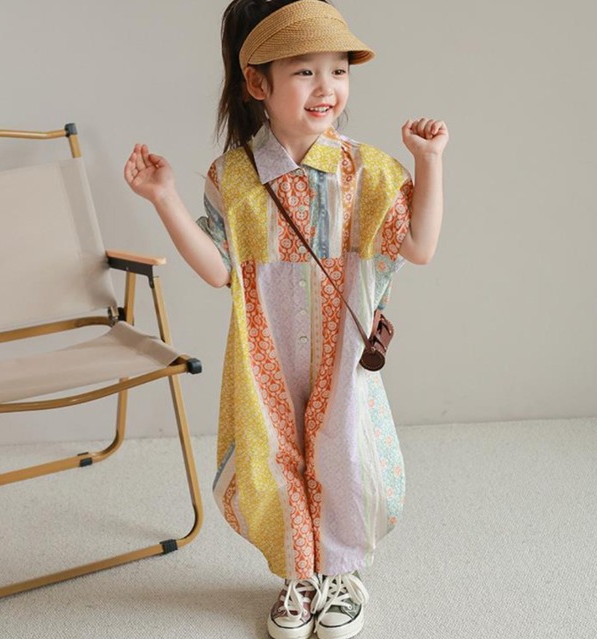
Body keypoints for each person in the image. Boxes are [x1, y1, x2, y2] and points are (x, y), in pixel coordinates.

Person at [124, 1, 448, 637]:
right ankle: (300, 575)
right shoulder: (233, 176)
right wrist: (164, 198)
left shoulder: (368, 170)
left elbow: (419, 246)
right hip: (265, 349)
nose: (327, 88)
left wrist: (429, 161)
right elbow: (220, 269)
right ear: (257, 84)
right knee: (271, 456)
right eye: (305, 72)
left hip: (341, 349)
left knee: (344, 452)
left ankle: (341, 572)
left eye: (338, 70)